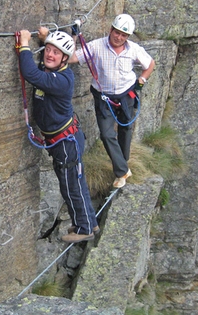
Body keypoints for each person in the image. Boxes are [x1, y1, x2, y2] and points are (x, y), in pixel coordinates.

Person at [17, 28, 98, 243]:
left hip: (65, 142)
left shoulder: (61, 80)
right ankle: (90, 221)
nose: (49, 55)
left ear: (65, 59)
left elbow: (31, 74)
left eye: (56, 53)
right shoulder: (54, 70)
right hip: (65, 139)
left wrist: (24, 43)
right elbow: (44, 66)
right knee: (77, 182)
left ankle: (84, 228)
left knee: (70, 184)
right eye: (48, 50)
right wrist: (47, 39)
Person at [70, 14, 155, 189]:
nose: (119, 37)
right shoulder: (96, 46)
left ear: (128, 37)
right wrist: (74, 36)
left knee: (126, 129)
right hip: (103, 96)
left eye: (124, 35)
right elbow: (71, 58)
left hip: (126, 94)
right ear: (111, 30)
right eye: (117, 33)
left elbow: (150, 64)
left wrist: (142, 80)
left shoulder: (134, 49)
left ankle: (122, 166)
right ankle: (123, 170)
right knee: (106, 134)